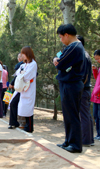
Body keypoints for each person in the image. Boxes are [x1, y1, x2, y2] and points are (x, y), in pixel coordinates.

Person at [53, 24, 85, 153]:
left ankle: (76, 145)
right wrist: (57, 59)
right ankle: (68, 141)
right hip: (67, 83)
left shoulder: (75, 47)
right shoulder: (71, 47)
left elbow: (60, 64)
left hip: (72, 84)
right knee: (67, 115)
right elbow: (59, 60)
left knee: (72, 114)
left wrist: (57, 60)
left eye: (61, 37)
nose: (61, 40)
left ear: (67, 35)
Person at [77, 35, 94, 147]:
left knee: (84, 115)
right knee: (86, 115)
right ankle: (89, 139)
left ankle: (85, 140)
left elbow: (84, 76)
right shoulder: (86, 54)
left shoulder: (83, 55)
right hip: (86, 89)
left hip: (83, 89)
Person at [16, 47, 37, 133]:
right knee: (23, 107)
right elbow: (18, 73)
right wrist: (21, 74)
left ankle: (29, 127)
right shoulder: (24, 64)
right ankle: (26, 125)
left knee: (29, 108)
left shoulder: (33, 64)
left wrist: (22, 74)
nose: (22, 56)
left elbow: (27, 75)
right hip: (23, 88)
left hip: (30, 87)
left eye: (23, 54)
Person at [8, 53, 24, 129]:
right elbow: (16, 76)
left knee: (14, 103)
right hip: (18, 88)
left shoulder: (23, 65)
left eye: (20, 57)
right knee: (14, 104)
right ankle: (14, 122)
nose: (19, 58)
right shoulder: (20, 65)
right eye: (18, 57)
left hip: (23, 89)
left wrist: (12, 83)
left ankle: (15, 122)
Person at [91, 50, 100, 141]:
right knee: (96, 115)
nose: (97, 61)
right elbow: (97, 79)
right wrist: (94, 70)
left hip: (98, 94)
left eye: (98, 59)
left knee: (99, 116)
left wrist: (95, 91)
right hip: (96, 96)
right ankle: (98, 133)